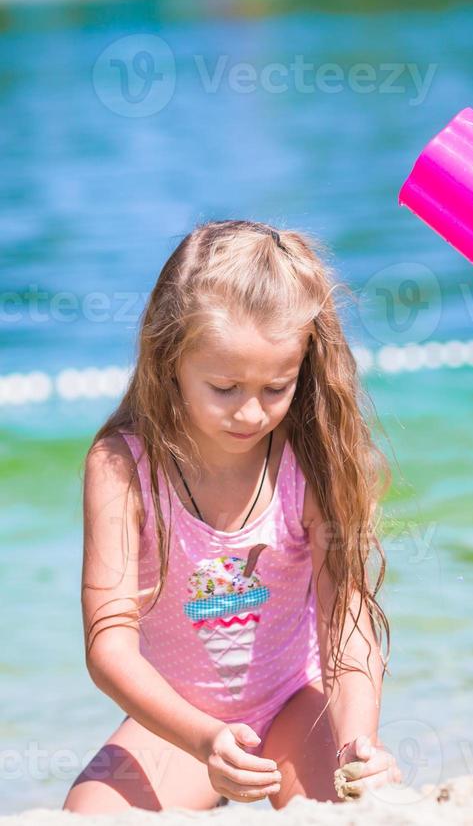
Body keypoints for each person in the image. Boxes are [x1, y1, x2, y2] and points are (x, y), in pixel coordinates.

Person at [64, 220, 401, 810]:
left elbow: (345, 612)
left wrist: (358, 740)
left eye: (277, 387)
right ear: (170, 361)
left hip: (295, 702)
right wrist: (204, 738)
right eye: (224, 387)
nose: (251, 413)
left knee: (359, 803)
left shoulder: (311, 457)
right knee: (87, 816)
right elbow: (108, 645)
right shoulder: (123, 465)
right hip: (179, 723)